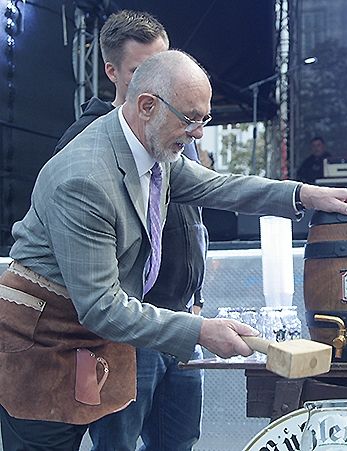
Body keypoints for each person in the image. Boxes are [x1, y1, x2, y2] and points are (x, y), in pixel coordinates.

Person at [0, 49, 347, 451]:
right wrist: (201, 331)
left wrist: (305, 194)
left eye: (205, 120)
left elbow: (219, 186)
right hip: (43, 345)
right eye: (190, 120)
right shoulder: (84, 179)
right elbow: (101, 307)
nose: (199, 134)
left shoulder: (151, 147)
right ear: (147, 105)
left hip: (94, 337)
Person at [55, 10, 207, 451]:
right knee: (117, 443)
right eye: (143, 71)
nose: (159, 83)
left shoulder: (181, 136)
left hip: (182, 322)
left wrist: (196, 299)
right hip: (127, 333)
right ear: (112, 71)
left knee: (178, 442)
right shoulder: (86, 144)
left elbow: (194, 219)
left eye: (165, 67)